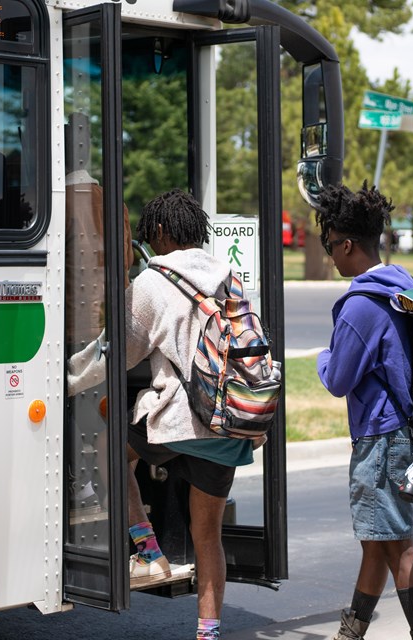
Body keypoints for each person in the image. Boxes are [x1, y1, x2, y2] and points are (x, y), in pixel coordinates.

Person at [68, 188, 262, 640]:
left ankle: (148, 551)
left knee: (107, 450)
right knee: (207, 534)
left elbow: (114, 352)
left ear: (157, 232)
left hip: (177, 420)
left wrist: (66, 379)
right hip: (227, 424)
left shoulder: (152, 283)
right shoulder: (229, 277)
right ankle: (208, 633)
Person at [314, 181, 413, 640]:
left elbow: (338, 379)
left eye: (330, 245)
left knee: (399, 549)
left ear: (347, 244)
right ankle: (352, 634)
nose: (330, 255)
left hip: (383, 440)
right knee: (377, 544)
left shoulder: (360, 307)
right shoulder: (408, 287)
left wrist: (320, 356)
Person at [64, 111, 133, 517]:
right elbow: (124, 262)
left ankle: (79, 483)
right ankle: (102, 487)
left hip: (70, 326)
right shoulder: (113, 202)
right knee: (101, 412)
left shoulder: (50, 204)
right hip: (108, 327)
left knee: (72, 408)